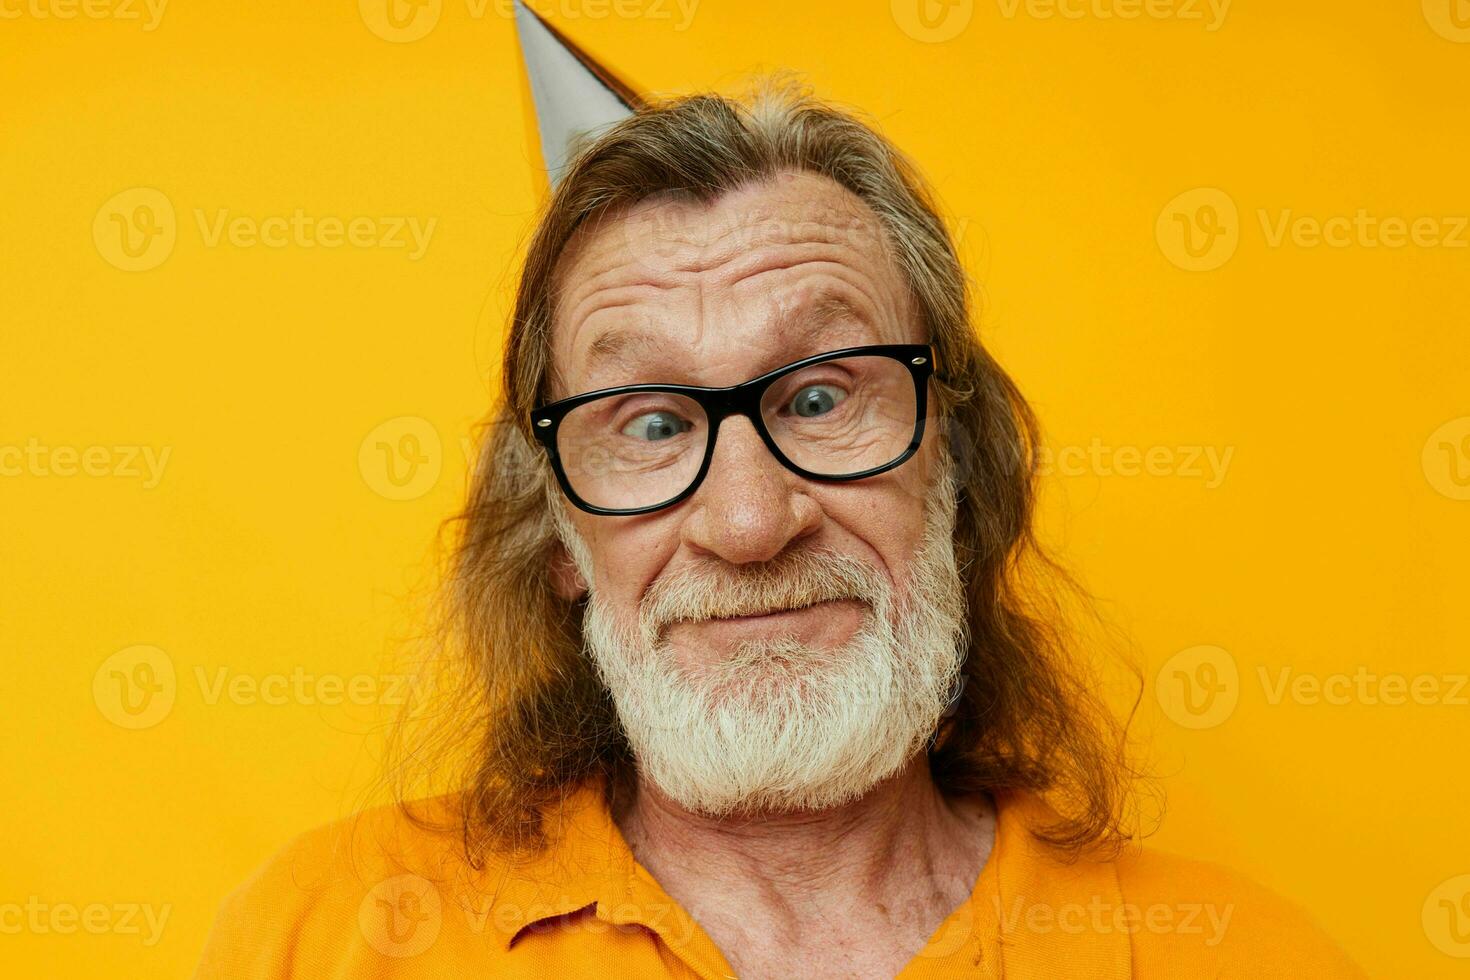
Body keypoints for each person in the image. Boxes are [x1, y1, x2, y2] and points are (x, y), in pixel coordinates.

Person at [195, 80, 1364, 979]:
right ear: (556, 535)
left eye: (819, 396)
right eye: (649, 423)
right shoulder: (324, 933)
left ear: (955, 468)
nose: (750, 521)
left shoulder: (1243, 952)